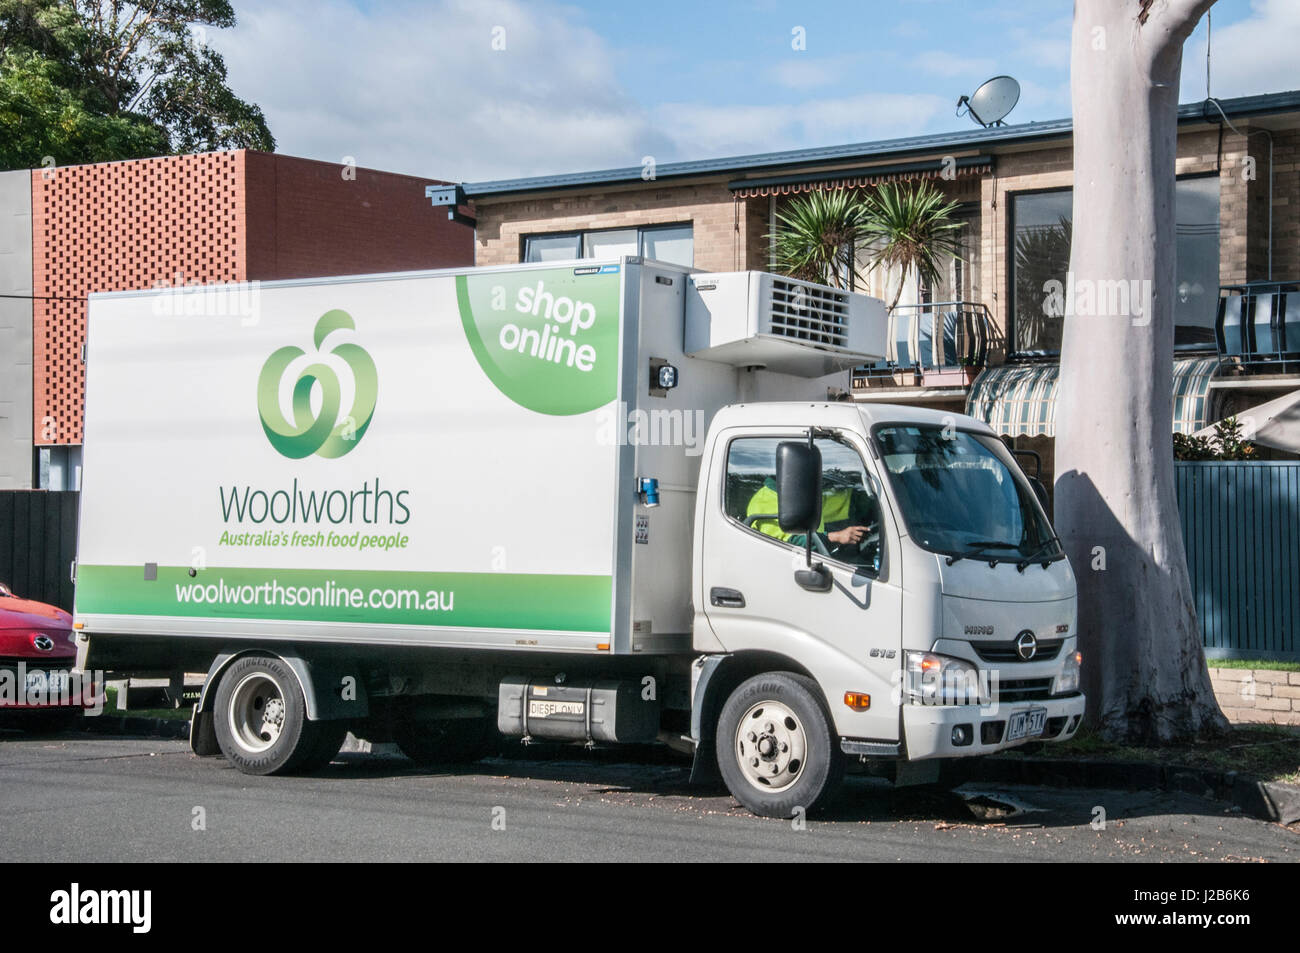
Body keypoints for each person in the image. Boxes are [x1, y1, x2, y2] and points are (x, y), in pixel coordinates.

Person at [745, 475, 879, 563]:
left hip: (820, 559)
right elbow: (795, 543)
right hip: (794, 568)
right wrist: (837, 536)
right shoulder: (764, 501)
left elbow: (848, 501)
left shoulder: (802, 491)